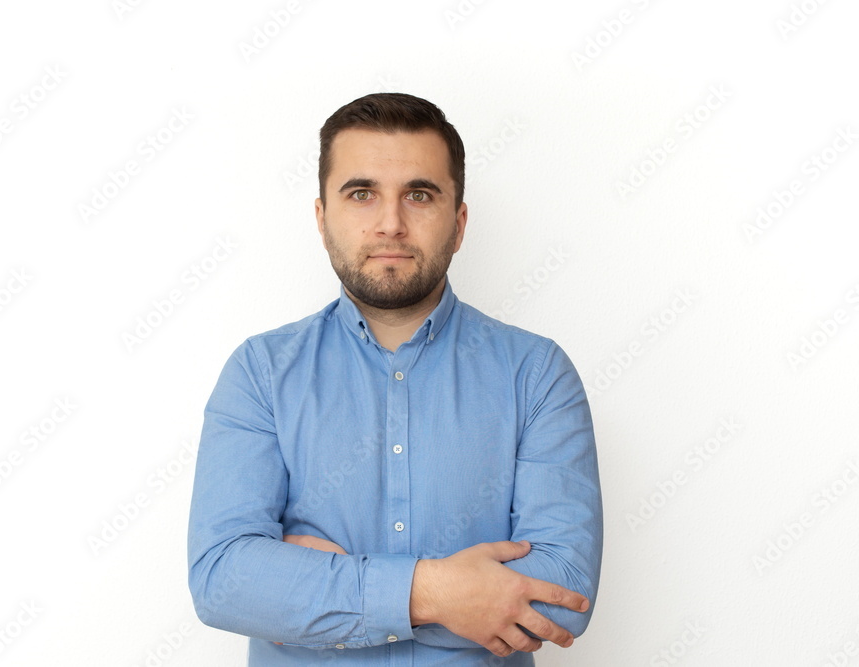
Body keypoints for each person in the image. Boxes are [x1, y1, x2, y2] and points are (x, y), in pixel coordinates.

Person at [187, 92, 603, 666]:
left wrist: (314, 593)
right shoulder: (260, 373)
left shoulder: (536, 375)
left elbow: (561, 599)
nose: (390, 224)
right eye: (361, 194)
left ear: (458, 223)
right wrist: (439, 594)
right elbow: (224, 583)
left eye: (419, 195)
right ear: (321, 218)